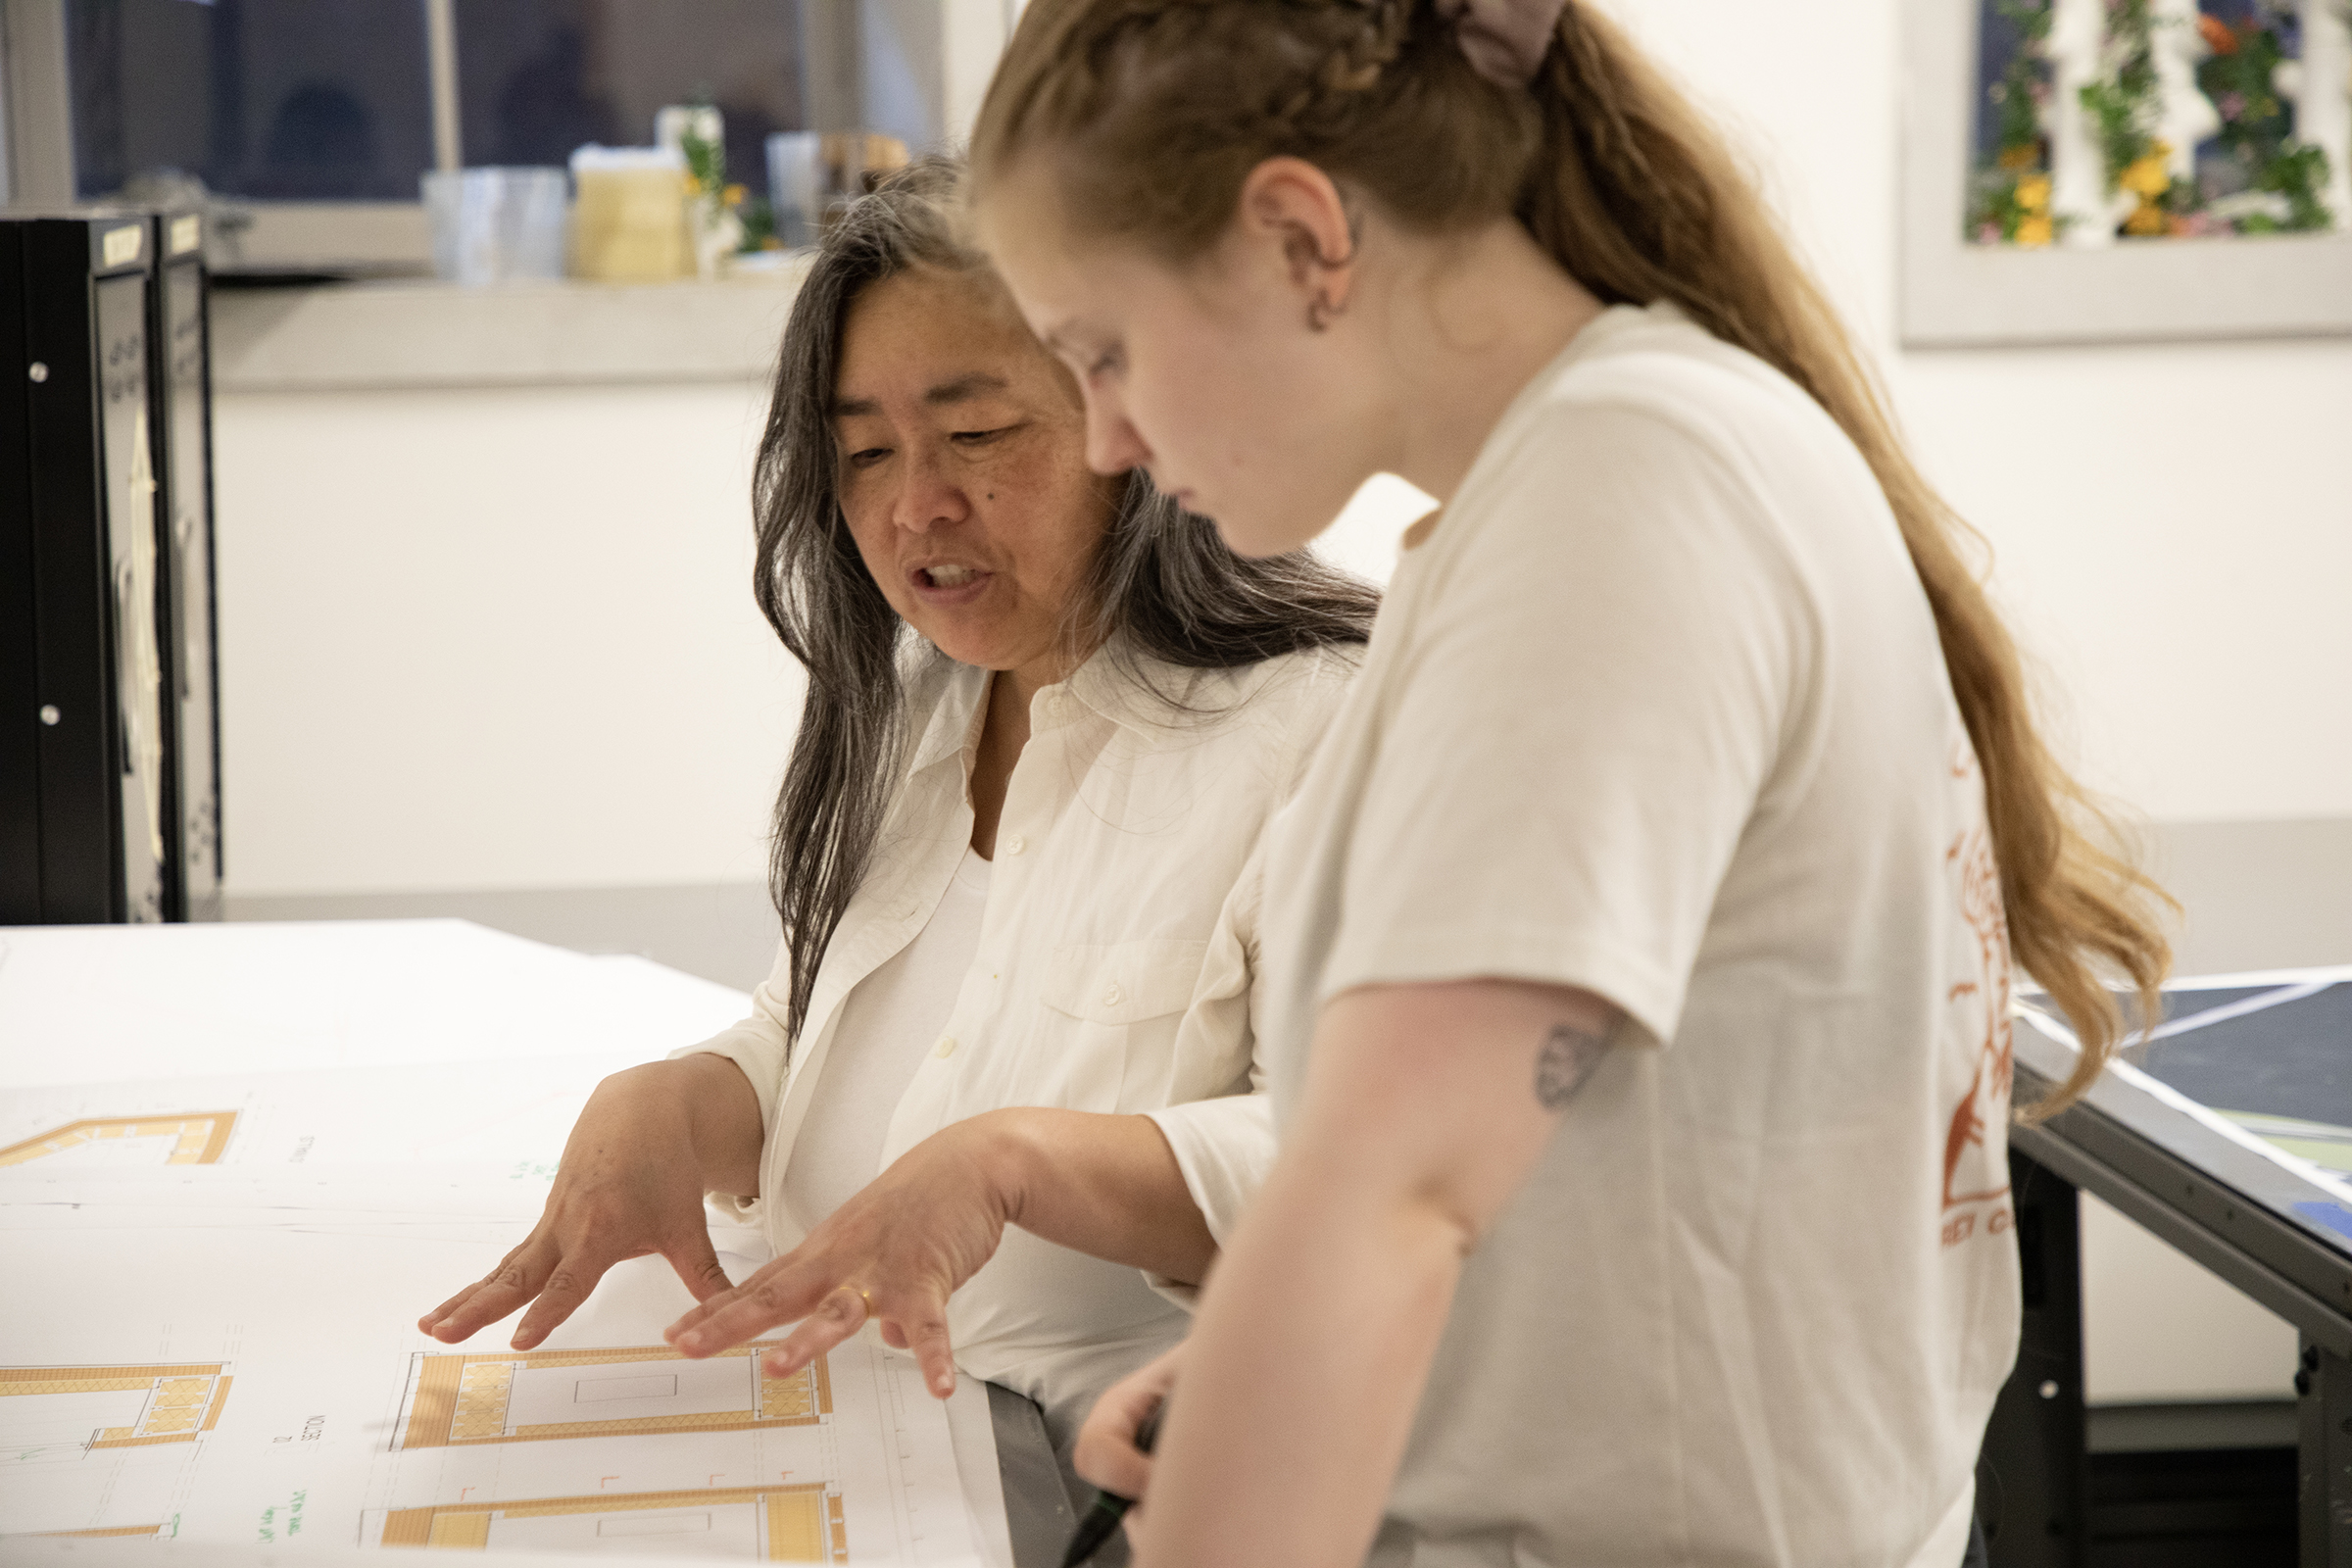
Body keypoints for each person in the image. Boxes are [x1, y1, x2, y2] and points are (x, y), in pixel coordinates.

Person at [967, 3, 2175, 1565]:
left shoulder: (1620, 498)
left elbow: (1393, 1200)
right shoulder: (1615, 467)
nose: (1110, 438)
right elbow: (1648, 1136)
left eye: (1104, 352)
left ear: (1299, 238)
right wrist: (1311, 1375)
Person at [416, 160, 1377, 1474]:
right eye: (863, 452)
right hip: (837, 1446)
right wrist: (686, 1102)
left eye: (977, 435)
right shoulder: (925, 699)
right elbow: (815, 1035)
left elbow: (1377, 1172)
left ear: (1133, 423)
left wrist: (1015, 1164)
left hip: (1092, 1482)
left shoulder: (1320, 732)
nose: (913, 504)